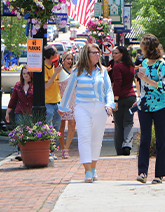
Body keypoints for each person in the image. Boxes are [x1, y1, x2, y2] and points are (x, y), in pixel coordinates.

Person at [58, 43, 115, 183]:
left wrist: (109, 104)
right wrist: (62, 108)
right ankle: (87, 170)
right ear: (86, 55)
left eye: (98, 52)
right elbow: (69, 90)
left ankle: (94, 167)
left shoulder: (102, 71)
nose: (98, 55)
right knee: (84, 137)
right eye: (94, 52)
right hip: (82, 107)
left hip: (100, 107)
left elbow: (108, 90)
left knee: (96, 140)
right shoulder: (76, 71)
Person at [135, 34, 165, 184]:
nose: (141, 49)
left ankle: (159, 174)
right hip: (144, 106)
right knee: (144, 139)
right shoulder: (143, 62)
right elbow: (141, 85)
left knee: (160, 140)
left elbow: (164, 87)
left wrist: (148, 80)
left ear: (149, 47)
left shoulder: (162, 65)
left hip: (160, 105)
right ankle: (142, 172)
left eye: (143, 46)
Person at [5, 65, 33, 160]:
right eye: (24, 73)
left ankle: (29, 151)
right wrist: (8, 112)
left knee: (30, 131)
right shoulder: (18, 85)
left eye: (27, 73)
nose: (26, 75)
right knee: (20, 131)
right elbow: (13, 100)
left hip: (30, 112)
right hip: (20, 111)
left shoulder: (35, 85)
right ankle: (20, 151)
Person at [112, 46, 136, 155]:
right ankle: (127, 144)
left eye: (116, 53)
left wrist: (115, 100)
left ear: (122, 54)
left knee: (118, 124)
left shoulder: (117, 67)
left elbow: (118, 83)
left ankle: (119, 149)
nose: (114, 55)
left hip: (120, 98)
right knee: (128, 122)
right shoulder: (131, 66)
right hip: (131, 97)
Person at [44, 45, 62, 159]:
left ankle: (52, 150)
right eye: (56, 53)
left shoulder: (56, 66)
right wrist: (55, 73)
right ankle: (48, 151)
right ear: (51, 56)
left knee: (56, 127)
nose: (58, 55)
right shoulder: (44, 67)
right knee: (48, 127)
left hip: (57, 101)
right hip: (47, 101)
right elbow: (46, 85)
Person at [58, 51, 76, 159]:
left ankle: (67, 148)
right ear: (63, 60)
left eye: (71, 59)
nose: (70, 61)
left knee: (72, 123)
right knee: (61, 125)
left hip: (73, 100)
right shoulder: (59, 70)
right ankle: (62, 146)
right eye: (68, 59)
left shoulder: (75, 71)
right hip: (61, 99)